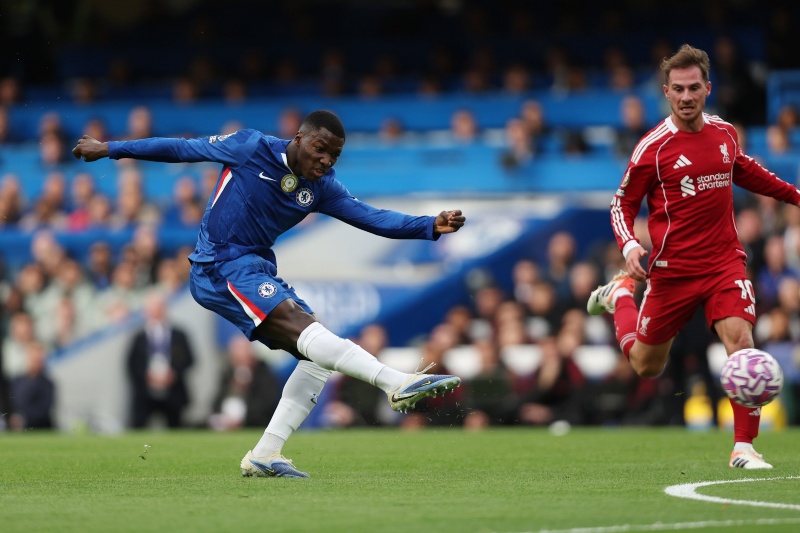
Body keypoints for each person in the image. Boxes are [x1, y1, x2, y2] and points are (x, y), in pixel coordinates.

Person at [72, 109, 465, 478]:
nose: (327, 160)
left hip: (256, 268)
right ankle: (394, 382)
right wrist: (111, 149)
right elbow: (181, 148)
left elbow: (372, 217)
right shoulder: (250, 147)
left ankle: (265, 453)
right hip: (217, 266)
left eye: (335, 155)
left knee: (315, 355)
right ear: (299, 139)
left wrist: (429, 224)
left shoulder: (322, 188)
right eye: (320, 149)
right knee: (308, 332)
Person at [587, 44, 800, 470]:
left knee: (740, 342)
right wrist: (630, 245)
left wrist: (796, 196)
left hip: (724, 262)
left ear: (708, 88)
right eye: (678, 89)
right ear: (667, 92)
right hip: (672, 272)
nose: (687, 96)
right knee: (646, 366)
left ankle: (744, 447)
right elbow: (621, 205)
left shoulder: (724, 133)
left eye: (694, 87)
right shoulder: (653, 148)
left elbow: (745, 169)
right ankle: (621, 298)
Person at [126, 290, 195, 429]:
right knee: (138, 428)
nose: (155, 312)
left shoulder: (179, 335)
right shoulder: (139, 338)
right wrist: (146, 376)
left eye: (158, 307)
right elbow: (132, 364)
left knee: (176, 430)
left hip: (173, 393)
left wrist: (173, 374)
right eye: (152, 308)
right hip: (145, 393)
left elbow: (189, 359)